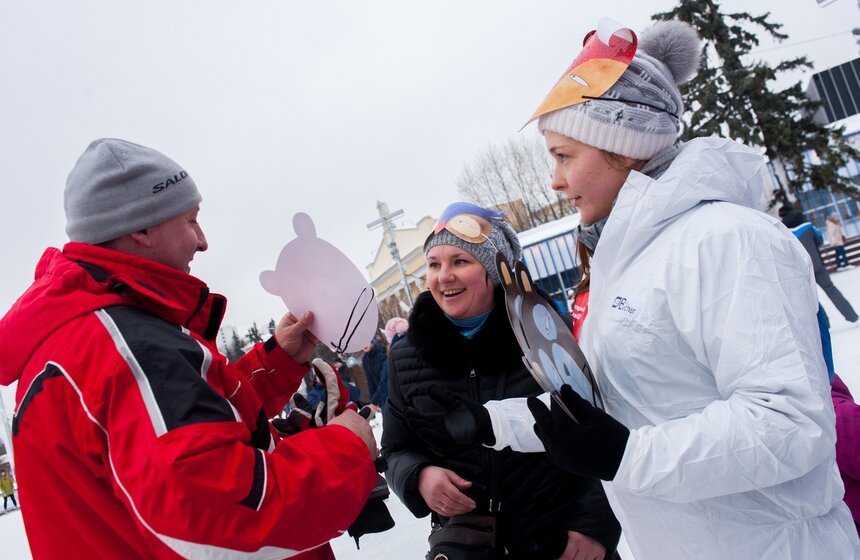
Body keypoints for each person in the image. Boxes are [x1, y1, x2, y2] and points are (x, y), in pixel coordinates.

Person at [412, 20, 860, 559]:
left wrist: (627, 456)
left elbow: (789, 425)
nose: (553, 181)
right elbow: (620, 402)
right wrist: (497, 422)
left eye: (563, 156)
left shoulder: (727, 240)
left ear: (620, 147)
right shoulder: (623, 262)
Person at [0, 138, 378, 559]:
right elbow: (222, 515)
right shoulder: (124, 346)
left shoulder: (82, 334)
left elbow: (197, 427)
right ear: (141, 230)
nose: (203, 241)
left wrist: (278, 361)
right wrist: (348, 447)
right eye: (190, 221)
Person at [381, 202, 620, 559]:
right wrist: (419, 476)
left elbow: (603, 429)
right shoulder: (406, 357)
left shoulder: (546, 334)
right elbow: (397, 449)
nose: (443, 276)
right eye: (434, 264)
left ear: (493, 271)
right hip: (470, 547)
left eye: (460, 261)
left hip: (563, 543)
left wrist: (594, 525)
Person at [781, 204, 858, 322]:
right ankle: (852, 316)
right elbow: (820, 240)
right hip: (818, 266)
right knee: (832, 290)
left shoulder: (783, 232)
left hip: (801, 270)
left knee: (812, 299)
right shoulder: (809, 227)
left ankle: (825, 324)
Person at [361, 336, 388, 410]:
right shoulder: (365, 360)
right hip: (380, 396)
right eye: (361, 344)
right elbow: (370, 382)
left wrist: (375, 401)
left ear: (372, 341)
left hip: (389, 392)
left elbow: (385, 379)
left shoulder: (382, 355)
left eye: (365, 342)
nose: (363, 345)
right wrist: (374, 401)